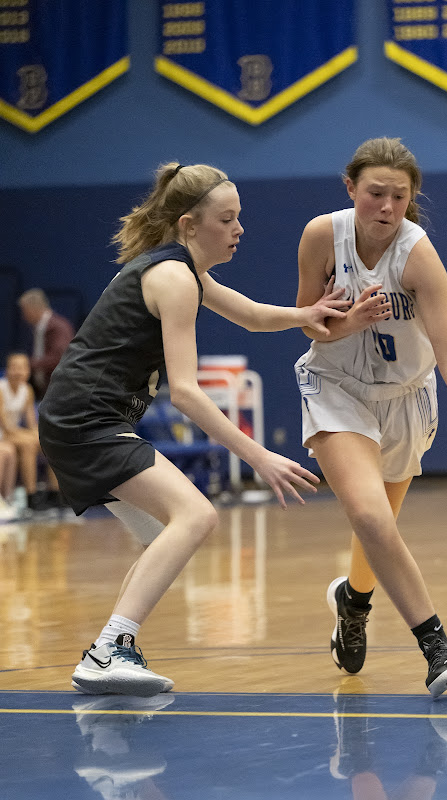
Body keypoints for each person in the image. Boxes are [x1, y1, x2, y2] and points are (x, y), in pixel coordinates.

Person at [38, 161, 350, 698]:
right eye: (226, 219)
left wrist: (307, 314)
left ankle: (110, 649)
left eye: (239, 217)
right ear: (189, 225)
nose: (239, 229)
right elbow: (185, 391)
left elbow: (252, 315)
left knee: (159, 539)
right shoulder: (175, 279)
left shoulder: (185, 273)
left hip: (81, 420)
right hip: (86, 421)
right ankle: (108, 651)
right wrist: (259, 456)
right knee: (197, 515)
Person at [294, 137, 447, 698]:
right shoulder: (322, 235)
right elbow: (306, 320)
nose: (387, 207)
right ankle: (437, 645)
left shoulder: (418, 256)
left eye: (399, 196)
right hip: (336, 387)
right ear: (351, 188)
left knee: (379, 525)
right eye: (376, 193)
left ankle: (354, 602)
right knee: (370, 516)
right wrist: (350, 323)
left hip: (405, 397)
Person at [0, 352, 61, 513]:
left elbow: (31, 424)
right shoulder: (1, 389)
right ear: (7, 370)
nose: (18, 372)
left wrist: (38, 436)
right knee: (28, 444)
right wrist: (30, 437)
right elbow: (6, 427)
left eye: (22, 368)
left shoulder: (27, 390)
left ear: (28, 371)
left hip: (16, 434)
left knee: (49, 442)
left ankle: (55, 494)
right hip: (3, 434)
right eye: (14, 367)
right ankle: (31, 497)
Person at [18, 288, 75, 400]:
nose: (23, 316)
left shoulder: (59, 327)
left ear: (33, 308)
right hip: (45, 390)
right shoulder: (38, 328)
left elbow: (60, 358)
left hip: (58, 391)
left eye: (24, 310)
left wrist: (27, 364)